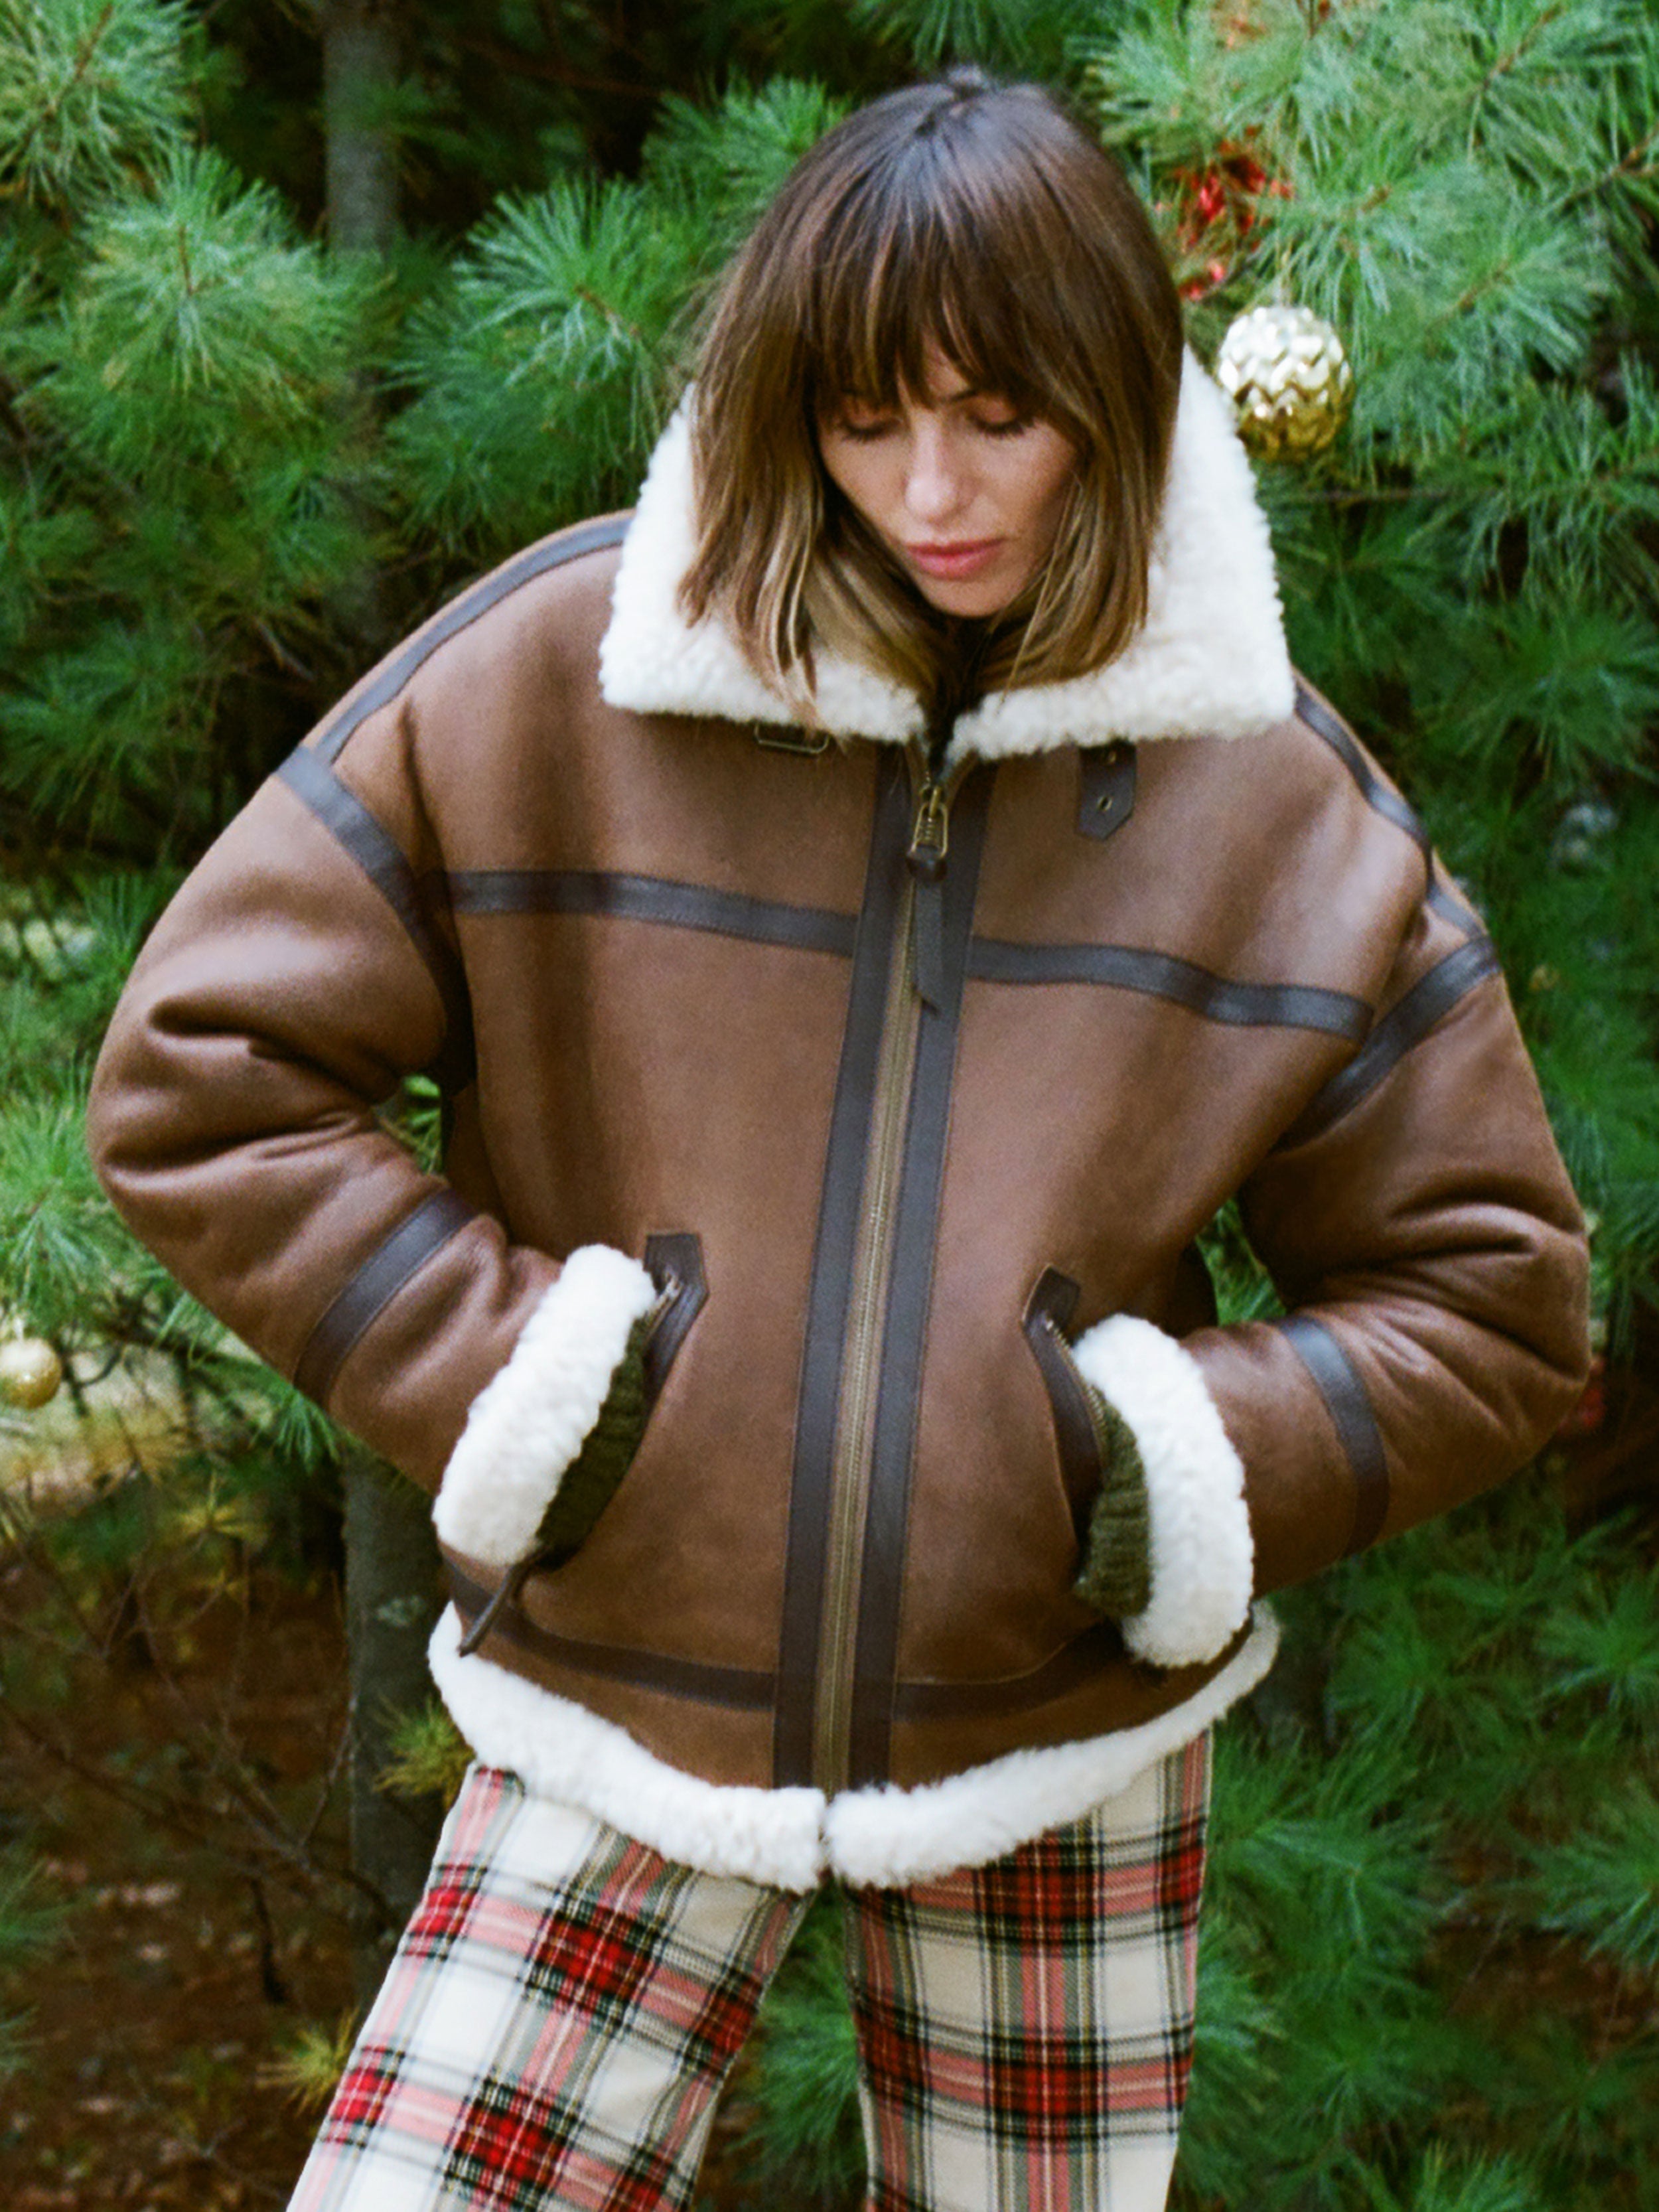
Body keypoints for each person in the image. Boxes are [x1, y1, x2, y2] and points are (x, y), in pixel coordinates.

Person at [87, 69, 1589, 2212]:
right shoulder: (554, 680)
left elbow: (1497, 1302)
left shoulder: (1263, 799)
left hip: (1055, 1744)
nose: (932, 487)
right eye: (867, 418)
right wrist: (544, 1389)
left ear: (1116, 390)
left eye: (1002, 412)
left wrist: (1145, 1469)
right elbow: (201, 1072)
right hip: (611, 1704)